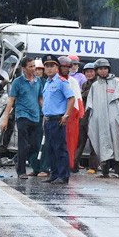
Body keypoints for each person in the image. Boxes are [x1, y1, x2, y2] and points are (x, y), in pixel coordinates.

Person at [0, 57, 44, 179]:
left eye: (34, 66)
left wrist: (45, 112)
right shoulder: (18, 82)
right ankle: (21, 171)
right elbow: (10, 101)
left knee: (35, 145)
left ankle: (35, 168)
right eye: (30, 66)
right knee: (23, 144)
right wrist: (5, 118)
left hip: (35, 116)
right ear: (24, 68)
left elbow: (40, 98)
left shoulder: (38, 81)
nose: (33, 68)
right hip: (22, 115)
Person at [87, 58, 119, 178]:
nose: (103, 71)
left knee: (117, 143)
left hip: (114, 119)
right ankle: (104, 171)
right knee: (102, 142)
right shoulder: (94, 86)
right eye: (100, 69)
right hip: (100, 120)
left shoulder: (116, 83)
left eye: (105, 68)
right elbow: (90, 105)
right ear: (96, 71)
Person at [40, 54, 75, 185]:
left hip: (58, 120)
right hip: (48, 119)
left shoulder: (61, 82)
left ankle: (63, 175)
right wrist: (44, 116)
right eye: (47, 66)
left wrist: (66, 115)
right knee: (50, 149)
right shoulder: (47, 83)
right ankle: (54, 174)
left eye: (52, 66)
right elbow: (48, 103)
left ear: (57, 68)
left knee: (60, 148)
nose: (49, 69)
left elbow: (71, 98)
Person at [58, 56, 84, 170]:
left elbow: (77, 99)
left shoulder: (73, 81)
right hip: (55, 115)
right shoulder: (52, 80)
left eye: (67, 66)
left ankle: (68, 166)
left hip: (70, 116)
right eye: (62, 66)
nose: (64, 69)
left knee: (70, 143)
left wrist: (78, 114)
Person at [76, 63, 99, 174]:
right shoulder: (85, 84)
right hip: (84, 116)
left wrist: (81, 94)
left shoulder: (98, 84)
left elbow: (89, 95)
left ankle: (93, 167)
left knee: (94, 143)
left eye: (91, 71)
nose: (89, 74)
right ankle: (73, 164)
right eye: (87, 72)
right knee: (80, 142)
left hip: (94, 116)